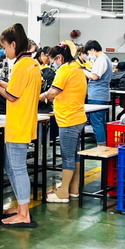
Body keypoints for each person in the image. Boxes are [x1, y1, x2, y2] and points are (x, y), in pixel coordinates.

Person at [0, 23, 40, 228]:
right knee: (13, 167)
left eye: (4, 47)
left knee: (18, 169)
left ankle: (24, 214)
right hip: (26, 121)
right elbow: (20, 89)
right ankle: (21, 208)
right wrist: (3, 83)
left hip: (18, 124)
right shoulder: (32, 64)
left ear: (13, 44)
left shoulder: (20, 66)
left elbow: (12, 96)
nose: (4, 51)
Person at [40, 44, 88, 203]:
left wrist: (41, 96)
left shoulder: (65, 70)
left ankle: (63, 192)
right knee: (74, 154)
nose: (53, 64)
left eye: (53, 61)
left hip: (68, 118)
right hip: (77, 117)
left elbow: (53, 92)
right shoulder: (77, 67)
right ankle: (74, 188)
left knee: (67, 156)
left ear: (59, 58)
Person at [81, 40, 113, 146]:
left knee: (97, 123)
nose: (89, 56)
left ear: (93, 50)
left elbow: (95, 77)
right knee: (101, 122)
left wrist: (82, 71)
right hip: (101, 95)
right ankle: (104, 144)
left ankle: (101, 146)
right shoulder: (105, 58)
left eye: (89, 53)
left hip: (97, 96)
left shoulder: (101, 59)